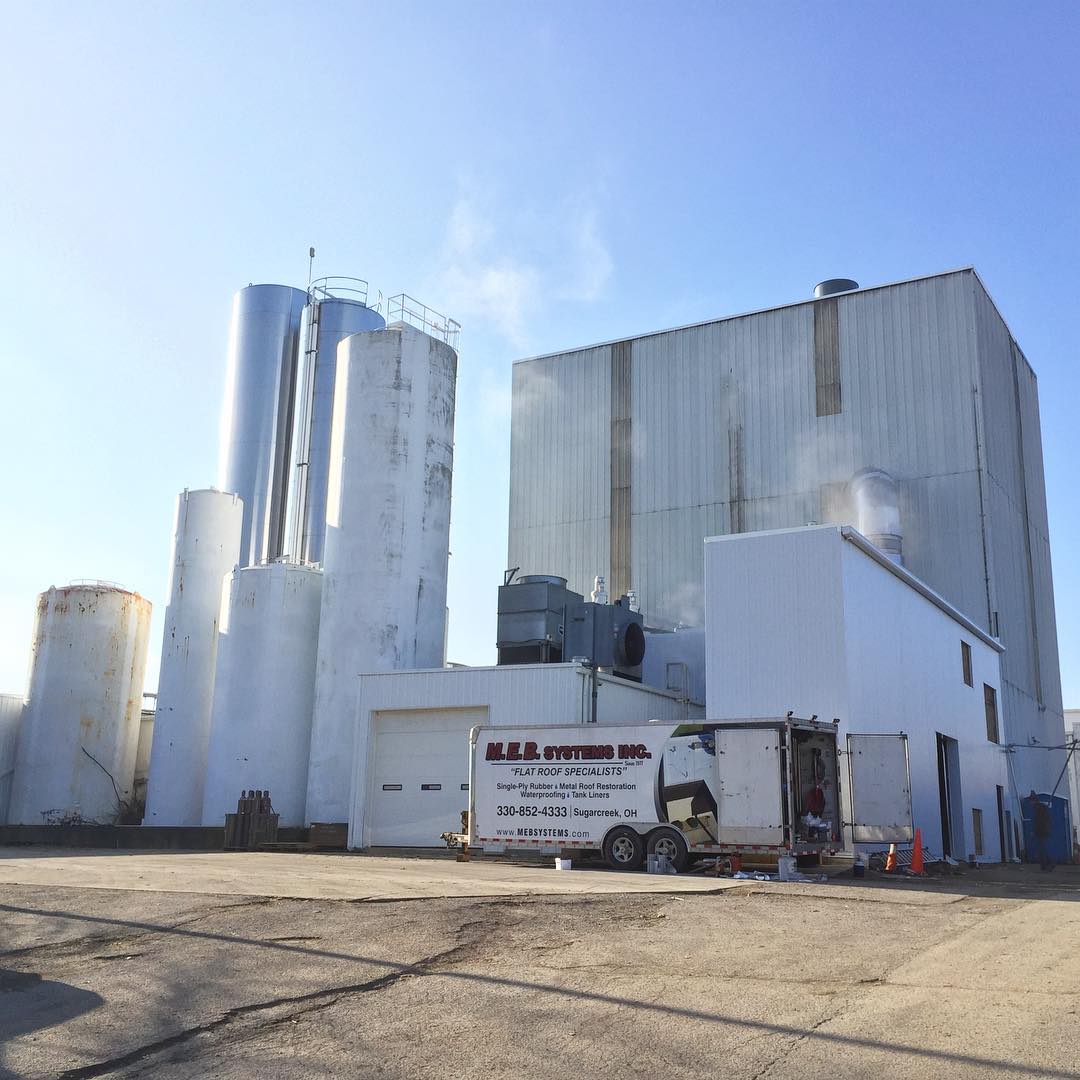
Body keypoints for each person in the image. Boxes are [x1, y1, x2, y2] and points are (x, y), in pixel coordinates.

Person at [1027, 791, 1054, 872]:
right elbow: (1046, 819)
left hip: (1041, 831)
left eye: (1030, 801)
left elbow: (1038, 821)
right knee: (1043, 848)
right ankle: (1048, 864)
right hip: (1044, 830)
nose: (1030, 803)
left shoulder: (1037, 808)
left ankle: (1045, 865)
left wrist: (1034, 832)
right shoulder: (1042, 807)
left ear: (1033, 800)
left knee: (1041, 849)